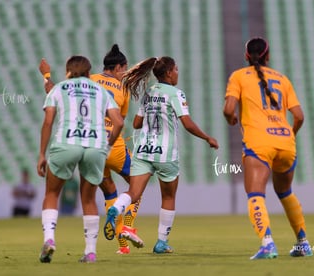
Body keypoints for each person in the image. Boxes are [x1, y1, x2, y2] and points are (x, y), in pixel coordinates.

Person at [103, 56, 219, 253]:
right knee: (168, 196)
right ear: (168, 73)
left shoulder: (148, 93)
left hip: (143, 151)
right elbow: (187, 123)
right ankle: (161, 242)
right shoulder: (176, 94)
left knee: (133, 193)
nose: (177, 73)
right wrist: (207, 138)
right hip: (165, 153)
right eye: (176, 69)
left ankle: (115, 209)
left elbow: (136, 124)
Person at [39, 44, 143, 254]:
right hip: (102, 145)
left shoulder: (87, 81)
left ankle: (121, 246)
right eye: (125, 69)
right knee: (137, 183)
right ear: (118, 67)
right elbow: (120, 121)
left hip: (71, 142)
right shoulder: (119, 88)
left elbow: (53, 92)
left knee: (107, 191)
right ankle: (126, 228)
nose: (126, 73)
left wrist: (46, 75)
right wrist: (110, 143)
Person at [223, 37, 312, 259]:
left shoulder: (238, 76)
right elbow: (299, 116)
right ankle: (303, 243)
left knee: (255, 194)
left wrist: (232, 119)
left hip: (258, 142)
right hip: (285, 142)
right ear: (268, 56)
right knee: (285, 192)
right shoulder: (283, 79)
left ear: (246, 56)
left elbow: (228, 109)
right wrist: (289, 135)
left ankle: (268, 243)